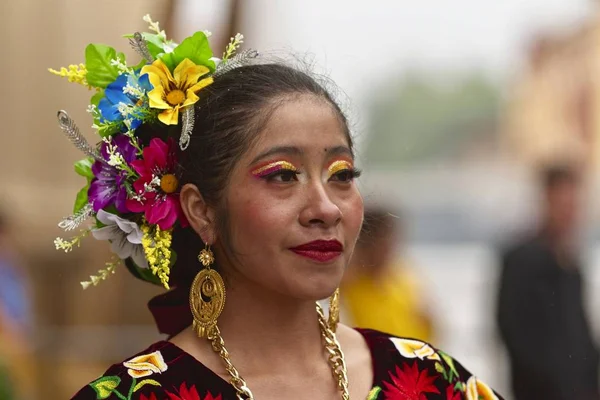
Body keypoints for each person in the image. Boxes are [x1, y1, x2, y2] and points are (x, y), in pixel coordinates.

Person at [51, 15, 503, 400]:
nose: (325, 208)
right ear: (201, 210)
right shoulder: (140, 393)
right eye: (283, 175)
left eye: (342, 174)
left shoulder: (430, 381)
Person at [496, 165, 599, 400]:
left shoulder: (570, 262)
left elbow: (580, 333)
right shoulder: (522, 258)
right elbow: (512, 330)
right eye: (563, 204)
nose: (570, 212)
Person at [342, 207, 433, 342]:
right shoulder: (345, 283)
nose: (390, 250)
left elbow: (429, 324)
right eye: (383, 243)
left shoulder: (403, 276)